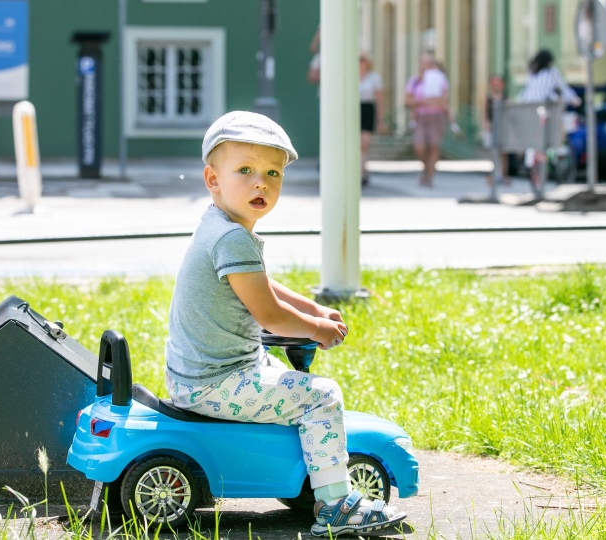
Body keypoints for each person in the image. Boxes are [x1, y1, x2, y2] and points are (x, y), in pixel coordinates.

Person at [165, 111, 408, 538]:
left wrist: (313, 308)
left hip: (205, 371)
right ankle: (335, 504)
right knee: (322, 396)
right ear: (212, 178)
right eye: (245, 170)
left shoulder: (218, 224)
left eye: (272, 173)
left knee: (290, 381)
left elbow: (263, 284)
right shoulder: (232, 237)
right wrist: (318, 330)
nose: (261, 182)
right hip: (215, 381)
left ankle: (306, 477)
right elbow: (270, 315)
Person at [517, 49, 580, 197]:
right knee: (557, 126)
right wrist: (575, 100)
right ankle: (557, 150)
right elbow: (564, 89)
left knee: (537, 138)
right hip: (542, 111)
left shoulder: (532, 73)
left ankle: (538, 158)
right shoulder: (552, 72)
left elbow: (526, 93)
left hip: (528, 111)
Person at [405, 53, 449, 187]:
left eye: (428, 63)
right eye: (423, 63)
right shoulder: (415, 81)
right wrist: (426, 101)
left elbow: (443, 101)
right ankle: (425, 168)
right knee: (420, 147)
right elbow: (407, 100)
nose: (426, 66)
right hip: (420, 117)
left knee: (434, 146)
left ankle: (430, 175)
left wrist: (420, 101)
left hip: (436, 117)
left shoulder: (440, 79)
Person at [483, 74, 510, 201]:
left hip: (503, 128)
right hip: (492, 128)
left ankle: (502, 175)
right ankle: (494, 175)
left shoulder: (506, 98)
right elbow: (484, 115)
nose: (496, 85)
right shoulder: (488, 99)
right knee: (493, 153)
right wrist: (486, 124)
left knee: (503, 153)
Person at [358, 54, 384, 186]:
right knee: (356, 142)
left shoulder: (374, 77)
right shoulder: (351, 76)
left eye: (362, 60)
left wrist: (380, 119)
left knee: (365, 142)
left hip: (368, 109)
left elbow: (379, 98)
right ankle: (360, 170)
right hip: (355, 109)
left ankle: (362, 170)